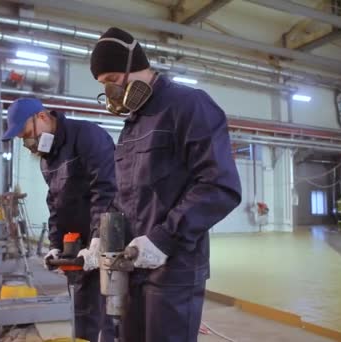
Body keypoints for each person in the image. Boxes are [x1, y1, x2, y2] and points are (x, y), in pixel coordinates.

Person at [90, 27, 242, 342]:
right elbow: (123, 197)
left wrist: (164, 239)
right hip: (133, 268)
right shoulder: (132, 125)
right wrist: (100, 239)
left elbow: (220, 185)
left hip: (174, 269)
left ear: (138, 66)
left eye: (114, 80)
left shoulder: (189, 104)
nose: (110, 92)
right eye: (103, 85)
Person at [2, 98, 116, 342]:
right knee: (82, 312)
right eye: (23, 139)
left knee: (110, 314)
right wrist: (56, 245)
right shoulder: (48, 158)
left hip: (107, 241)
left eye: (28, 134)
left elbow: (106, 190)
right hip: (79, 249)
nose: (27, 143)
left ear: (42, 117)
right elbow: (55, 202)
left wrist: (98, 239)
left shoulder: (87, 135)